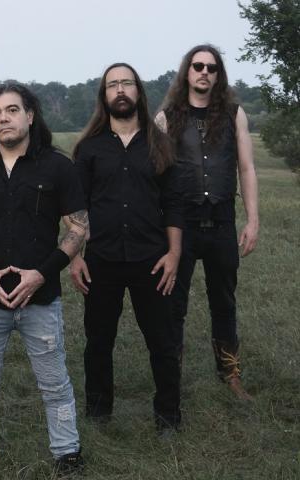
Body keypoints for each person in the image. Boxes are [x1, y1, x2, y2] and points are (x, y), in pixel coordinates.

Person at [0, 83, 87, 472]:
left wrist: (41, 274)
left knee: (54, 382)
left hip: (40, 298)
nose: (3, 119)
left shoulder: (58, 166)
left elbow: (78, 228)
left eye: (11, 110)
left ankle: (67, 452)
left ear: (30, 115)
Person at [70, 63, 183, 432]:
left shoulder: (160, 144)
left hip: (152, 259)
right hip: (100, 259)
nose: (120, 90)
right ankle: (98, 414)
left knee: (162, 342)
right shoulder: (89, 148)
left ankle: (168, 416)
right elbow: (76, 207)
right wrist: (75, 257)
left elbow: (174, 204)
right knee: (98, 341)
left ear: (138, 92)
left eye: (126, 83)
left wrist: (174, 254)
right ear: (104, 96)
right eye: (112, 85)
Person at [156, 44, 259, 400]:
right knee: (173, 304)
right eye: (198, 66)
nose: (204, 72)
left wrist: (253, 220)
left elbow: (246, 168)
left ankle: (230, 375)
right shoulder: (166, 117)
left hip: (222, 222)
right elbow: (155, 175)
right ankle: (171, 378)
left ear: (218, 75)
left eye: (211, 68)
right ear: (187, 71)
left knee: (224, 302)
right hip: (180, 226)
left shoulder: (234, 114)